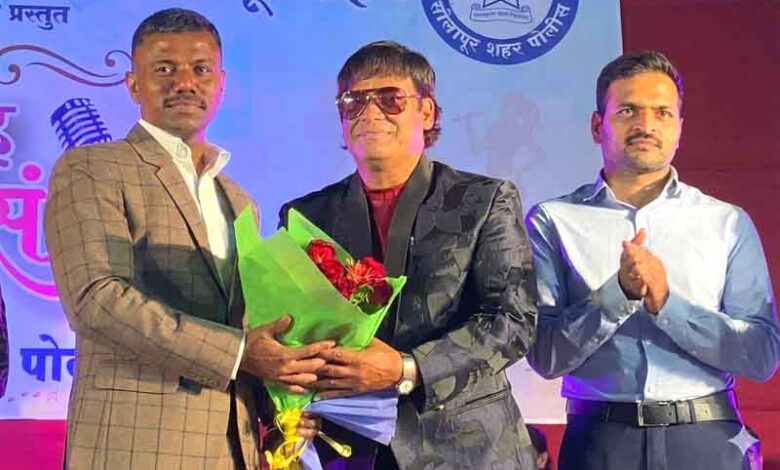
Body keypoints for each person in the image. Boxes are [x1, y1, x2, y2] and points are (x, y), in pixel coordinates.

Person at [44, 8, 328, 469]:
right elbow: (96, 299)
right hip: (135, 449)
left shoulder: (239, 200)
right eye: (164, 69)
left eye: (200, 69)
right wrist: (240, 353)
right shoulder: (92, 168)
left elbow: (245, 324)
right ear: (133, 84)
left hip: (232, 449)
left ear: (221, 84)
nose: (184, 83)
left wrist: (285, 394)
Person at [279, 40, 538, 469]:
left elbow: (513, 322)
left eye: (390, 99)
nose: (370, 113)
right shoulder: (306, 216)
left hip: (468, 449)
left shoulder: (484, 200)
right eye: (353, 102)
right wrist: (290, 400)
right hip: (347, 447)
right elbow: (290, 331)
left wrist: (406, 368)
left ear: (427, 112)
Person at [526, 50, 780, 470]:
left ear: (679, 128)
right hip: (600, 441)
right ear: (597, 126)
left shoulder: (726, 222)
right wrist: (618, 295)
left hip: (707, 438)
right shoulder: (553, 220)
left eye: (662, 113)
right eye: (628, 110)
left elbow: (761, 355)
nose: (646, 125)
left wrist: (667, 304)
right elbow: (545, 356)